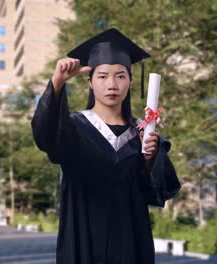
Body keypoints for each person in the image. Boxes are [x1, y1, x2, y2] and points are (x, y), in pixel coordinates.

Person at [31, 28, 180, 264]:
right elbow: (45, 138)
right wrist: (57, 83)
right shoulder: (72, 127)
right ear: (89, 82)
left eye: (121, 76)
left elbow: (158, 192)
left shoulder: (143, 133)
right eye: (102, 76)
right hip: (83, 243)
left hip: (131, 245)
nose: (112, 84)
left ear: (130, 81)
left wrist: (150, 158)